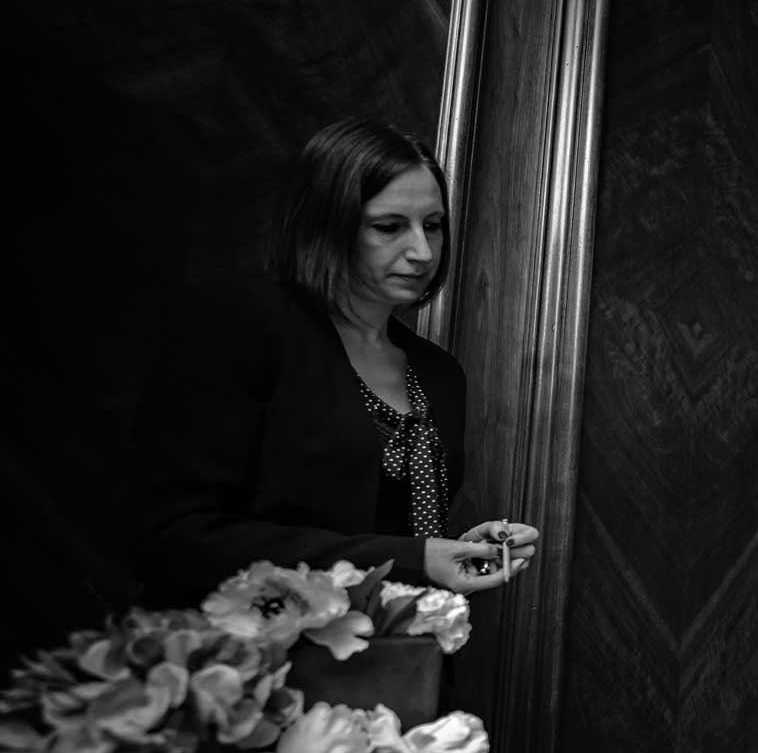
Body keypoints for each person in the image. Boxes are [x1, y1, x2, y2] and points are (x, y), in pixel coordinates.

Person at [135, 117, 537, 604]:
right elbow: (178, 536)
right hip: (253, 656)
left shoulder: (438, 374)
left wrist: (450, 554)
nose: (422, 250)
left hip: (394, 660)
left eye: (433, 225)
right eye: (389, 227)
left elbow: (382, 530)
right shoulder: (244, 332)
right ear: (328, 224)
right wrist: (410, 558)